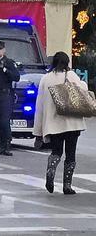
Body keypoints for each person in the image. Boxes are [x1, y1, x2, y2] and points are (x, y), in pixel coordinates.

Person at [34, 52, 88, 194]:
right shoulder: (71, 76)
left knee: (56, 151)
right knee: (71, 154)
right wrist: (81, 83)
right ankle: (67, 185)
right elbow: (84, 91)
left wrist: (38, 132)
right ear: (67, 62)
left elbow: (39, 106)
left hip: (54, 123)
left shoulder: (46, 79)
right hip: (73, 122)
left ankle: (51, 171)